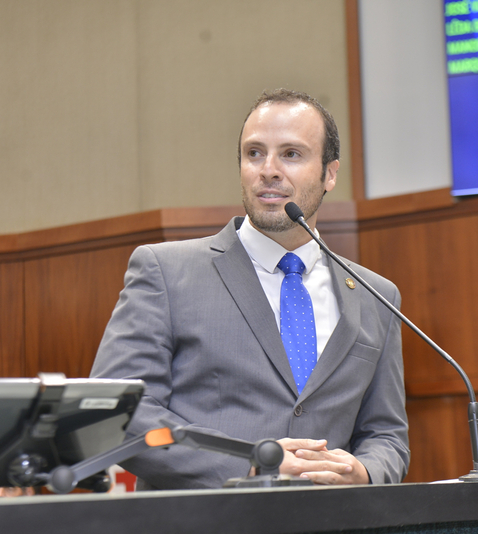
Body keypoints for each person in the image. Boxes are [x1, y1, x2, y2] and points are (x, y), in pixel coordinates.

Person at [90, 89, 409, 489]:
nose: (268, 170)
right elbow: (118, 414)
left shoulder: (376, 296)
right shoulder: (166, 272)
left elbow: (386, 435)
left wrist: (365, 472)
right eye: (254, 153)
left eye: (291, 154)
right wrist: (248, 466)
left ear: (330, 174)